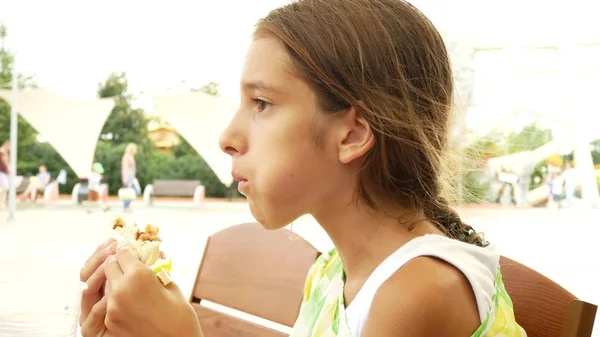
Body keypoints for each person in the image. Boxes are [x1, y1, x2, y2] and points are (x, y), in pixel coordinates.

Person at [78, 1, 526, 336]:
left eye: (262, 103)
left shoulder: (419, 291)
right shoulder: (332, 272)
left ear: (351, 135)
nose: (227, 136)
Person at [121, 143, 140, 212]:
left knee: (132, 191)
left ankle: (126, 206)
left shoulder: (131, 156)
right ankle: (126, 207)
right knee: (130, 192)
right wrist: (125, 179)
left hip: (132, 177)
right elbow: (125, 168)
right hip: (128, 177)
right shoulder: (126, 157)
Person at [0, 140, 9, 210]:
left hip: (2, 172)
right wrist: (10, 171)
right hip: (2, 172)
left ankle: (2, 204)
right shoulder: (3, 152)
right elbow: (6, 163)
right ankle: (2, 204)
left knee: (3, 188)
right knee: (4, 188)